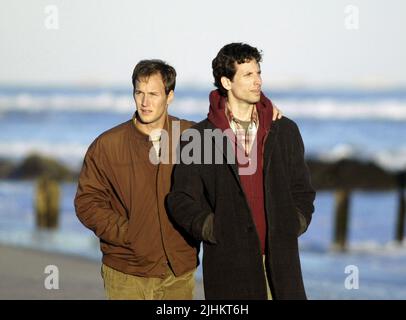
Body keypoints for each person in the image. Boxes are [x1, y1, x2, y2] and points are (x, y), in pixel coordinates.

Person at [74, 58, 284, 300]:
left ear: (169, 96)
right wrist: (127, 233)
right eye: (139, 93)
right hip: (127, 270)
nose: (145, 102)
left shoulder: (192, 136)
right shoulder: (107, 145)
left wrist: (265, 110)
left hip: (180, 270)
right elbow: (87, 202)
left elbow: (236, 131)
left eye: (153, 94)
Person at [167, 43, 316, 300]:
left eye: (258, 73)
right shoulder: (199, 138)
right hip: (228, 262)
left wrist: (295, 222)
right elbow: (181, 199)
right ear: (226, 81)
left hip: (281, 261)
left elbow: (302, 190)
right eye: (248, 75)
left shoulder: (285, 130)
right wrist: (211, 228)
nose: (257, 81)